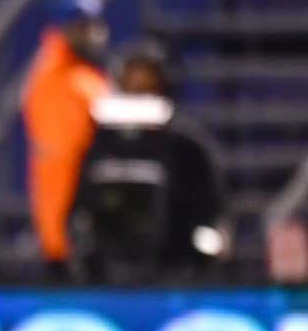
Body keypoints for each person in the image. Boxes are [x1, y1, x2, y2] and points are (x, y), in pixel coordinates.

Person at [69, 40, 227, 283]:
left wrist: (203, 255)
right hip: (108, 277)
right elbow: (81, 209)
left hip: (175, 275)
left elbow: (213, 213)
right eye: (132, 80)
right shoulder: (100, 144)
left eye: (148, 80)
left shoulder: (188, 146)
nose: (140, 88)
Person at [20, 0, 110, 279]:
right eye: (82, 27)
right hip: (72, 229)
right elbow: (73, 155)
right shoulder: (61, 79)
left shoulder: (77, 76)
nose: (92, 35)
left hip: (72, 226)